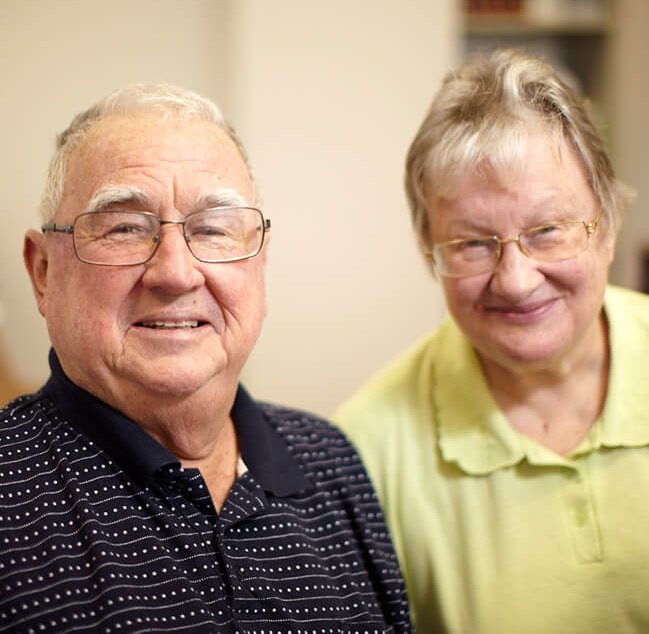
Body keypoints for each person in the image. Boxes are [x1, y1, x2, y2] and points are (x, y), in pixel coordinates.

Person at [0, 83, 413, 634]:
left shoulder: (332, 461)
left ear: (260, 267)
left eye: (213, 229)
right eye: (125, 228)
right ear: (43, 273)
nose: (176, 272)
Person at [334, 48, 649, 634]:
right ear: (432, 254)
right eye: (473, 244)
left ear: (607, 226)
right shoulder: (364, 453)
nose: (516, 279)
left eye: (548, 231)